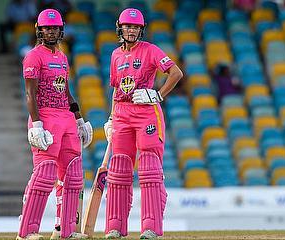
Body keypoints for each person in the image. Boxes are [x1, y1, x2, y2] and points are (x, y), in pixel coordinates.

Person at [103, 8, 183, 239]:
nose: (131, 30)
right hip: (121, 113)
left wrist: (157, 95)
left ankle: (151, 227)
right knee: (118, 169)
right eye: (128, 26)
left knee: (149, 168)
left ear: (141, 30)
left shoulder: (150, 50)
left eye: (136, 27)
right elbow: (117, 89)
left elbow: (176, 73)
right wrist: (111, 118)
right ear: (120, 28)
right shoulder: (115, 55)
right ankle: (115, 227)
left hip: (146, 112)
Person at [16, 8, 92, 240]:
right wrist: (36, 124)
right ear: (39, 30)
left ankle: (65, 229)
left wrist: (78, 118)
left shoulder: (61, 56)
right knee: (45, 174)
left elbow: (65, 90)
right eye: (47, 28)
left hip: (66, 118)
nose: (51, 32)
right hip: (46, 117)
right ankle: (27, 230)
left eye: (55, 28)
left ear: (61, 30)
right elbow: (30, 94)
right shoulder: (33, 56)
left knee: (72, 175)